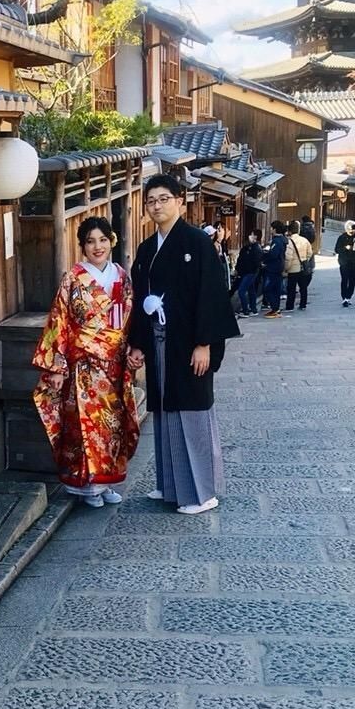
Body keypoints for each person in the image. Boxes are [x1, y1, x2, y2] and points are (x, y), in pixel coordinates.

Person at [128, 174, 239, 515]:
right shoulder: (148, 248)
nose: (157, 205)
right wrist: (138, 343)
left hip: (189, 341)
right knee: (165, 409)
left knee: (192, 410)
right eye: (151, 201)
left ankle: (202, 493)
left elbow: (211, 295)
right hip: (160, 341)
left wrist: (204, 343)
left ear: (180, 200)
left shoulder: (197, 242)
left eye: (164, 198)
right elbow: (140, 297)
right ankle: (170, 485)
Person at [33, 216, 140, 508]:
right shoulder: (73, 278)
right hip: (82, 364)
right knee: (85, 425)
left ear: (111, 241)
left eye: (102, 240)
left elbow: (130, 319)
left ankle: (106, 482)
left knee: (112, 426)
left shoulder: (121, 276)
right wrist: (56, 367)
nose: (97, 247)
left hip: (114, 363)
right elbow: (59, 321)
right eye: (90, 241)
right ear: (82, 245)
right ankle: (86, 486)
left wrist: (134, 348)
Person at [334, 220, 355, 307]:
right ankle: (344, 298)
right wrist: (345, 248)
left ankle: (349, 296)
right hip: (344, 262)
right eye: (350, 230)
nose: (352, 232)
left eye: (353, 230)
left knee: (352, 280)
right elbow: (337, 249)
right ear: (346, 229)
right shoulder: (342, 237)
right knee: (344, 279)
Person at [284, 220, 313, 311]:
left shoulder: (289, 241)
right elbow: (310, 253)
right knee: (303, 287)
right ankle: (303, 304)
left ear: (289, 231)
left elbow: (288, 257)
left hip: (293, 268)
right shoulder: (304, 240)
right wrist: (305, 259)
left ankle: (290, 306)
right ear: (299, 230)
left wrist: (286, 268)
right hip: (303, 267)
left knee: (291, 288)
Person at [262, 220, 287, 318]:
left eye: (272, 228)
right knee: (276, 289)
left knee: (268, 288)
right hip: (279, 266)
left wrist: (265, 258)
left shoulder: (277, 241)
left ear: (275, 229)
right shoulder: (283, 240)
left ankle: (275, 308)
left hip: (273, 267)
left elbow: (273, 254)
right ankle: (276, 309)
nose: (270, 229)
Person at [235, 230, 263, 317]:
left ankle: (245, 311)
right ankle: (253, 309)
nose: (250, 236)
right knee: (251, 290)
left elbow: (255, 261)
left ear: (255, 237)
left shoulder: (256, 248)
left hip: (250, 272)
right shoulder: (248, 247)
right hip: (247, 272)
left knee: (241, 291)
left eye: (252, 234)